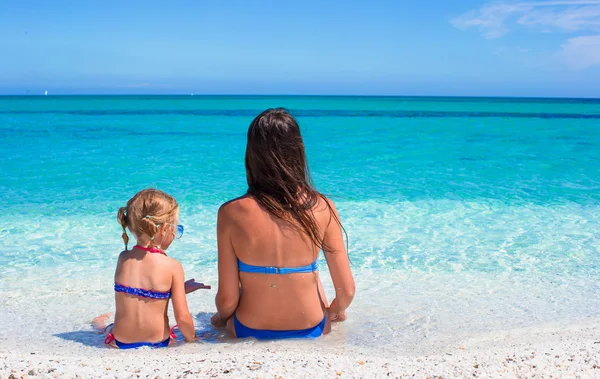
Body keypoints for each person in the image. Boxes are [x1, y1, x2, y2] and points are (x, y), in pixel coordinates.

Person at [211, 108, 355, 339]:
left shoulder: (231, 213)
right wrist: (335, 312)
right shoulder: (322, 207)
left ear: (252, 154)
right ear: (298, 151)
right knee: (315, 280)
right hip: (313, 326)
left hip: (248, 327)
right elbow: (346, 291)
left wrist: (218, 319)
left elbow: (227, 300)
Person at [92, 189, 209, 349]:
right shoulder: (172, 265)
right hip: (159, 342)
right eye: (176, 227)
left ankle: (101, 326)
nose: (176, 232)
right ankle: (102, 326)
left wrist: (178, 291)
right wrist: (193, 340)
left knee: (110, 328)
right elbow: (182, 318)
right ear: (163, 229)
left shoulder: (123, 258)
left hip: (121, 342)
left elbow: (138, 298)